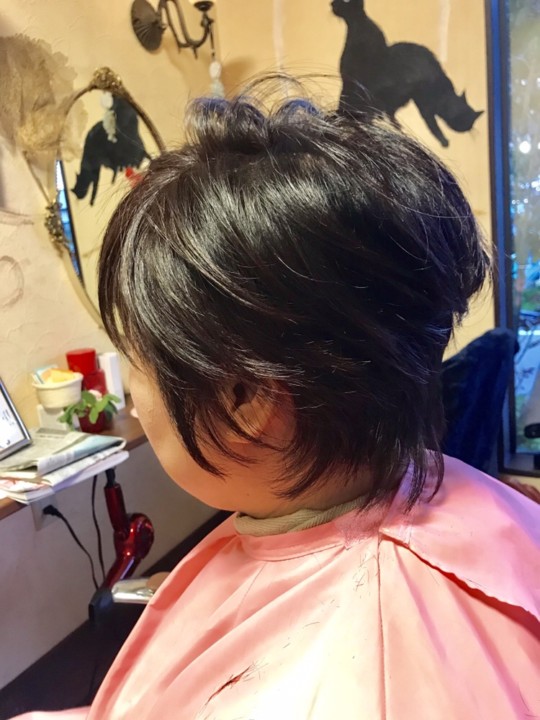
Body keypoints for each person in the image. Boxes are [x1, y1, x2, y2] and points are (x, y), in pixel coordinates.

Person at [14, 83, 539, 719]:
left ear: (247, 399)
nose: (132, 391)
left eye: (134, 357)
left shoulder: (360, 677)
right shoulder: (459, 501)